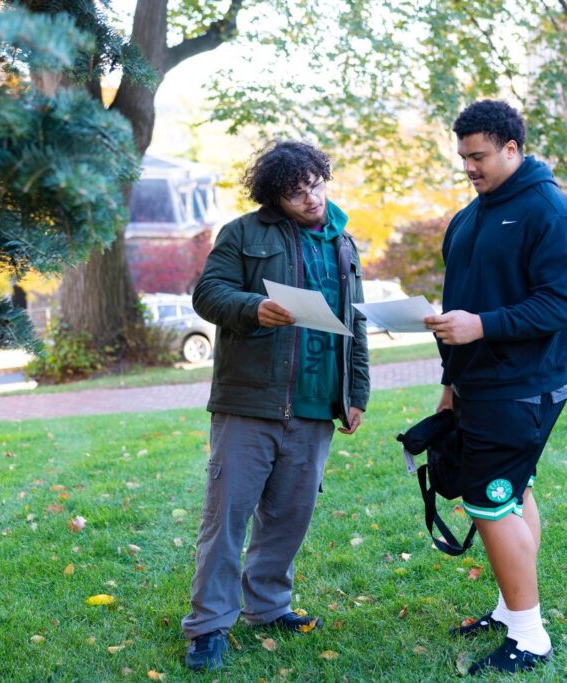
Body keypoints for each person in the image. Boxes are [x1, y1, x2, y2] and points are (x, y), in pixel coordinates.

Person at [181, 140, 370, 672]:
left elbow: (354, 325)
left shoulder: (344, 242)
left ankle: (267, 607)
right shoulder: (243, 233)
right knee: (227, 520)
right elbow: (207, 294)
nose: (311, 199)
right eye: (296, 192)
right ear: (275, 197)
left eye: (316, 184)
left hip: (316, 406)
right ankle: (208, 626)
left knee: (289, 517)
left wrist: (355, 394)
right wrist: (253, 307)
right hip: (250, 403)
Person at [423, 100, 567, 676]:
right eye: (463, 157)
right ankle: (508, 607)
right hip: (477, 383)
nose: (469, 167)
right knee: (513, 493)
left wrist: (482, 325)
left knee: (489, 501)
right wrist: (450, 383)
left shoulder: (553, 214)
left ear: (513, 149)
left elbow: (558, 306)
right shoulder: (470, 217)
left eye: (479, 156)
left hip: (524, 385)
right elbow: (458, 305)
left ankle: (529, 636)